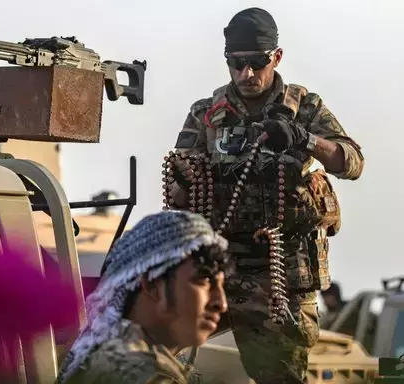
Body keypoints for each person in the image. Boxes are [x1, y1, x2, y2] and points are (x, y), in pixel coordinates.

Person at [165, 7, 365, 383]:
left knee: (280, 376)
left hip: (281, 276)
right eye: (236, 64)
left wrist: (304, 139)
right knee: (151, 351)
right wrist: (186, 178)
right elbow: (178, 184)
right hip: (218, 269)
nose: (247, 74)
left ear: (276, 57)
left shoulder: (303, 106)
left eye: (257, 63)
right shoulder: (207, 114)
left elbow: (351, 162)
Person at [56, 210, 230, 384]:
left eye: (221, 285)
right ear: (152, 285)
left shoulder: (97, 356)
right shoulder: (146, 375)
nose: (221, 304)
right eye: (204, 280)